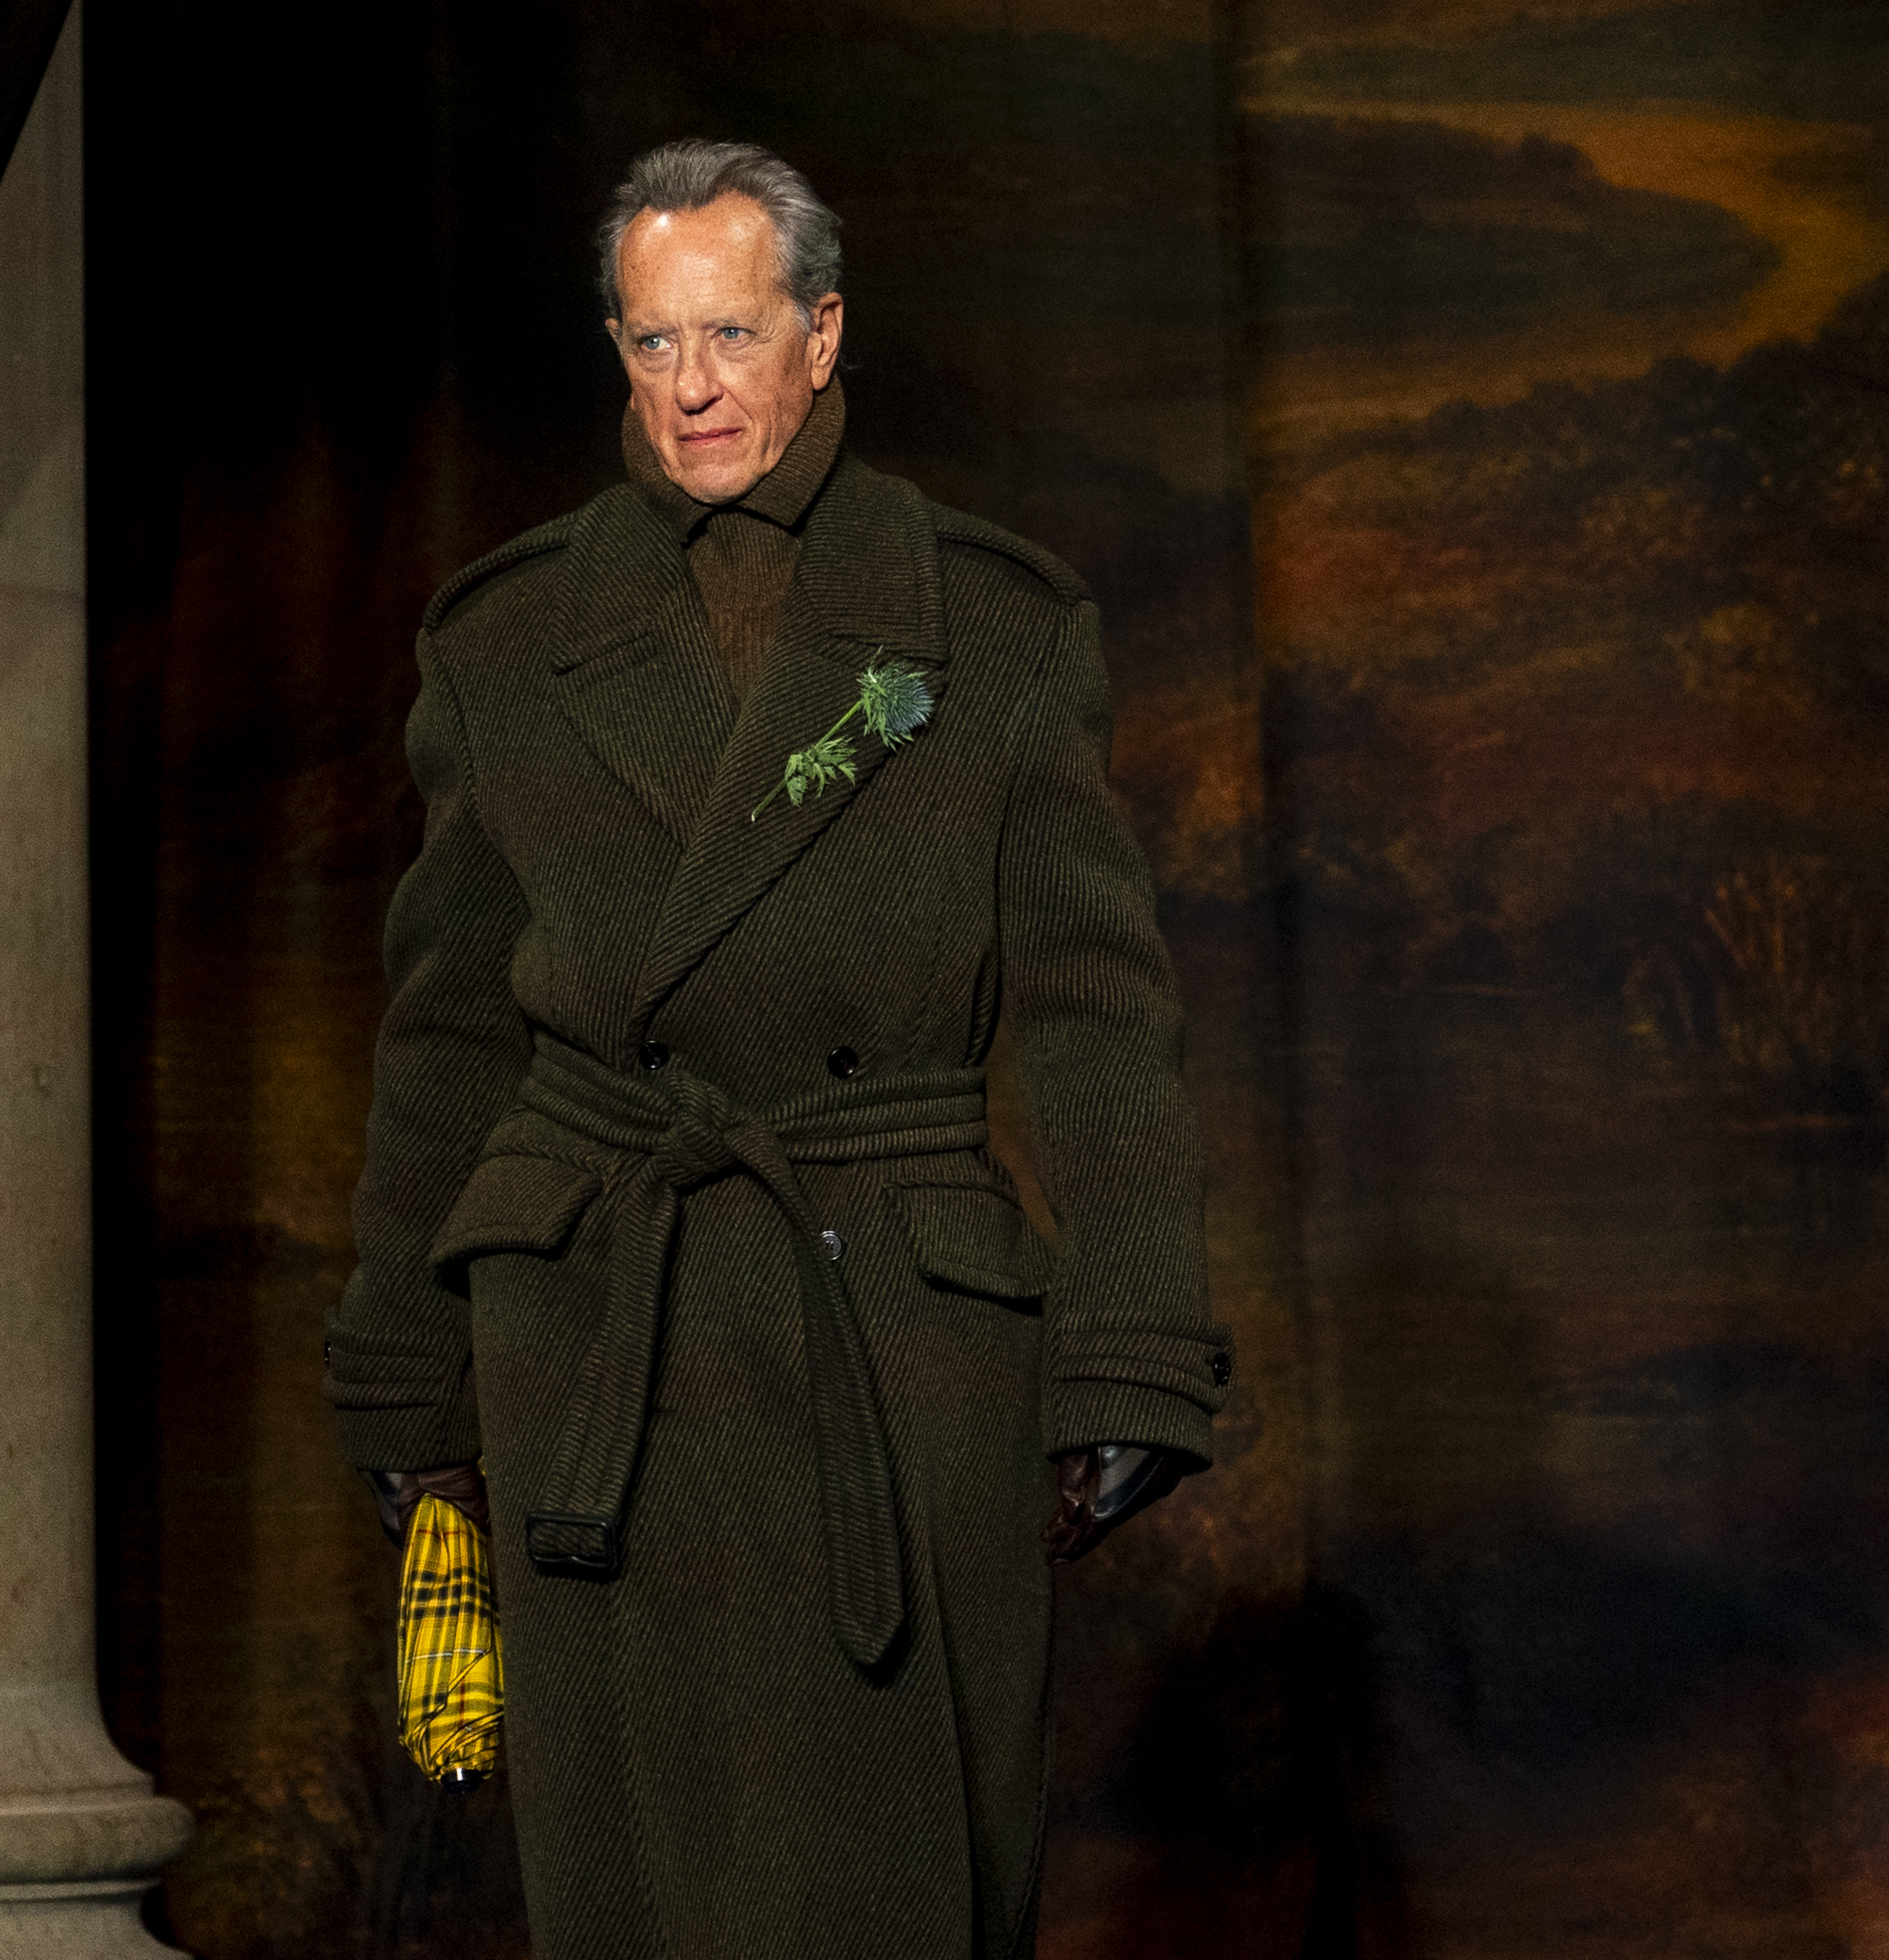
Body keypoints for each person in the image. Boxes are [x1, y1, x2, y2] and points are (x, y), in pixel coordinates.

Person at [325, 138, 1231, 1958]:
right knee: (640, 1887)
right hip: (598, 1335)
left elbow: (1091, 1012)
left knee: (887, 1882)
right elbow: (442, 1037)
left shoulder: (982, 624)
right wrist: (407, 1380)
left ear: (823, 335)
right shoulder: (509, 641)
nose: (694, 388)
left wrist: (1130, 1356)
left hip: (886, 1330)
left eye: (731, 335)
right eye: (652, 345)